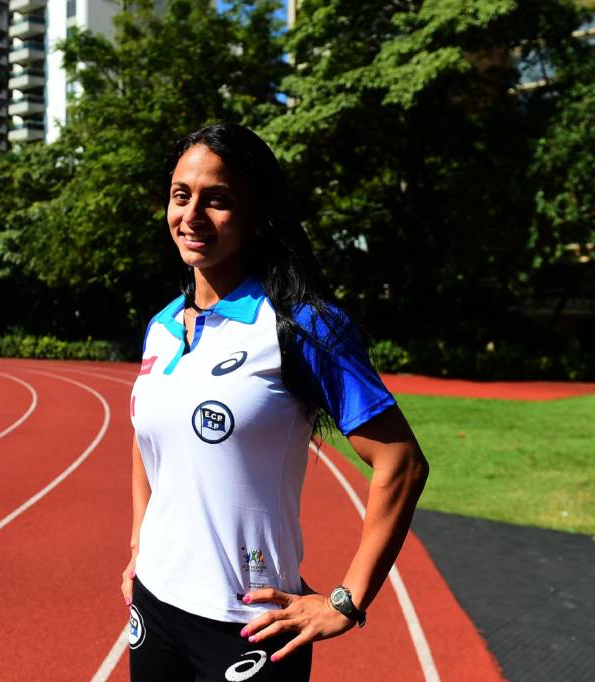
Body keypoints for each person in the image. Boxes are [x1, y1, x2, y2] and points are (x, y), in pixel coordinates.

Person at [124, 124, 429, 681]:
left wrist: (346, 600)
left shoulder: (301, 325)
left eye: (218, 200)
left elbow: (401, 464)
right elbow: (149, 441)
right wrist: (140, 544)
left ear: (256, 214)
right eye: (180, 195)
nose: (192, 216)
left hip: (249, 627)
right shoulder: (161, 327)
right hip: (154, 606)